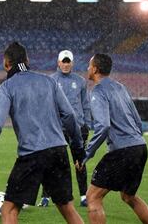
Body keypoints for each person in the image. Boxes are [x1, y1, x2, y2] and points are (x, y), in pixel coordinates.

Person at [0, 42, 85, 224]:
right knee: (67, 208)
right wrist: (78, 149)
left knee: (9, 209)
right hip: (58, 151)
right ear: (27, 60)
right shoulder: (49, 81)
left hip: (32, 154)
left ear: (6, 64)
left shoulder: (6, 88)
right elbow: (70, 115)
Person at [81, 53, 148, 224]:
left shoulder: (98, 91)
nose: (87, 68)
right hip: (140, 147)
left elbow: (103, 126)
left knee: (92, 197)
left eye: (89, 65)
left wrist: (87, 154)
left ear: (95, 69)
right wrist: (134, 140)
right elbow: (137, 120)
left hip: (123, 151)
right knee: (129, 196)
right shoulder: (120, 87)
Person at [39, 50, 91, 207]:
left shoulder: (81, 81)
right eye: (64, 61)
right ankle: (45, 197)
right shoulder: (50, 80)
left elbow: (85, 105)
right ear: (58, 62)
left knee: (80, 162)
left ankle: (83, 196)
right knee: (51, 162)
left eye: (69, 62)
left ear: (72, 63)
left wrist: (86, 124)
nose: (66, 64)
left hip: (77, 128)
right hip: (57, 127)